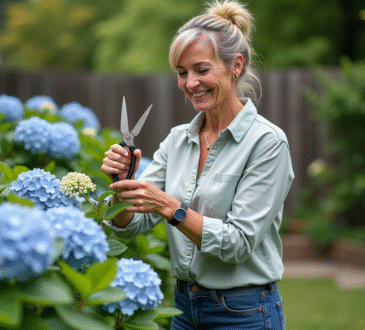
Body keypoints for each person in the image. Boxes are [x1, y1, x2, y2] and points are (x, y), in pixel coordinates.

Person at [101, 0, 294, 328]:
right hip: (184, 309)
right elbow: (131, 225)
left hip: (244, 313)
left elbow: (238, 243)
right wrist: (122, 186)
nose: (190, 83)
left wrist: (169, 206)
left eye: (201, 70)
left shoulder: (267, 143)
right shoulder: (178, 140)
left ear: (236, 65)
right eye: (182, 73)